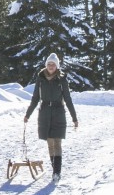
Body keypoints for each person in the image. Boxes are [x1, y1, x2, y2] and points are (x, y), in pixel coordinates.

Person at [24, 52, 78, 182]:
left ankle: (57, 172)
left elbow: (68, 99)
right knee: (50, 143)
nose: (51, 66)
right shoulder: (40, 78)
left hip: (59, 112)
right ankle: (55, 169)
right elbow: (35, 98)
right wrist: (28, 114)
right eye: (49, 64)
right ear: (46, 65)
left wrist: (74, 117)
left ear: (57, 66)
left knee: (57, 142)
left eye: (53, 64)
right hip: (44, 113)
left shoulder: (62, 79)